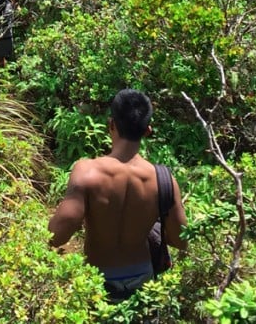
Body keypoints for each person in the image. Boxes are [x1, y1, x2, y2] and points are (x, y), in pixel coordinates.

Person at [48, 89, 188, 302]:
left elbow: (57, 236)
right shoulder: (164, 179)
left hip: (97, 281)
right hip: (144, 281)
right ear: (147, 131)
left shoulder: (87, 172)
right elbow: (181, 240)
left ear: (111, 124)